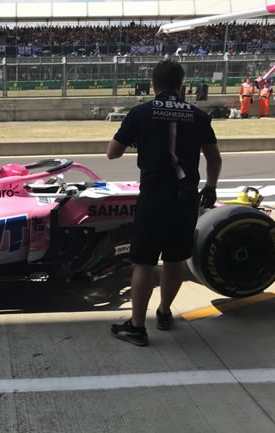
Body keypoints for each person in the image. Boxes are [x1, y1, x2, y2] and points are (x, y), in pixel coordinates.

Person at [107, 59, 222, 347]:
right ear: (181, 84)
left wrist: (139, 140)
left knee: (144, 262)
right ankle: (164, 312)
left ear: (154, 85)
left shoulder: (141, 113)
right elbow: (214, 158)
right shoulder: (197, 115)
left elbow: (112, 153)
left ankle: (136, 327)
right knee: (174, 259)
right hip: (185, 197)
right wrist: (210, 186)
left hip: (154, 195)